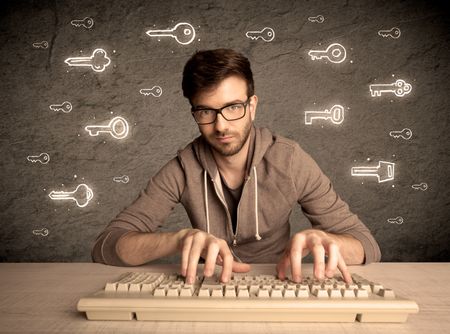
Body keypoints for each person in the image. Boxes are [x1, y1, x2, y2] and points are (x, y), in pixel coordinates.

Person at [92, 48, 381, 285]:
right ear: (194, 112)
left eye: (233, 108)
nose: (221, 126)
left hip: (279, 283)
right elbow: (107, 246)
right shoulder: (182, 168)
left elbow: (367, 246)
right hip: (209, 287)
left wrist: (327, 240)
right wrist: (178, 240)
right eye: (206, 111)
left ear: (252, 105)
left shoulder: (291, 160)